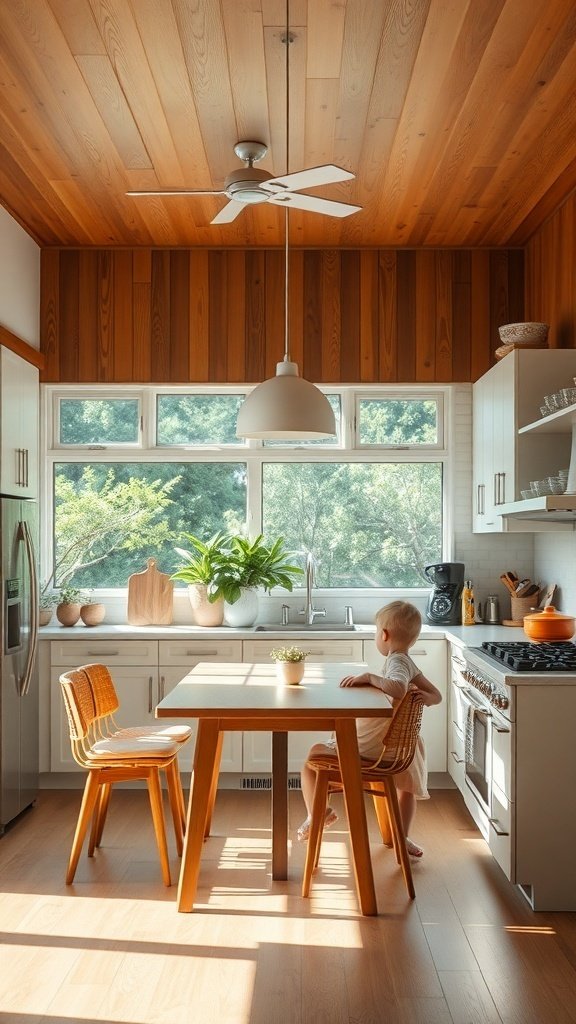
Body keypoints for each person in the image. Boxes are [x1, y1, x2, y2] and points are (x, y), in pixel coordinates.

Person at [298, 600, 442, 858]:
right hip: (400, 750)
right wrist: (421, 698)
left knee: (310, 761)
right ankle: (402, 836)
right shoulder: (407, 662)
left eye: (377, 632)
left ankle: (316, 814)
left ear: (384, 635)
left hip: (373, 750)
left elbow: (397, 687)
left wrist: (369, 677)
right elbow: (437, 695)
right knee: (405, 792)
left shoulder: (397, 662)